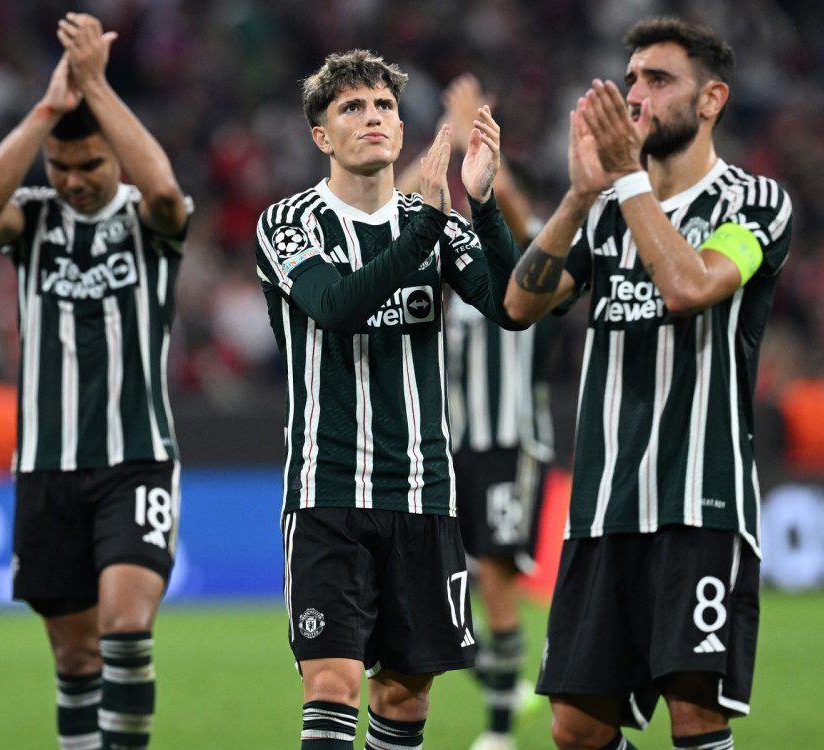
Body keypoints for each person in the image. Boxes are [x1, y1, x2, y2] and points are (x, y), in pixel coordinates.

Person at [504, 17, 791, 750]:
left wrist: (628, 178)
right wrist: (576, 197)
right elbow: (519, 304)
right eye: (631, 79)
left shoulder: (753, 204)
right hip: (603, 508)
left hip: (699, 500)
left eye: (658, 80)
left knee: (694, 711)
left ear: (711, 99)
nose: (636, 94)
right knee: (576, 730)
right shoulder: (603, 214)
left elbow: (690, 286)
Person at [255, 49, 524, 749]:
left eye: (383, 106)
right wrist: (428, 229)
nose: (372, 118)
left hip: (424, 494)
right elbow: (336, 305)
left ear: (402, 130)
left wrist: (486, 205)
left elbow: (513, 308)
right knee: (334, 682)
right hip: (327, 491)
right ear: (322, 136)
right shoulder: (290, 224)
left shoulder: (436, 223)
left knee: (406, 694)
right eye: (352, 107)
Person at [0, 12, 190, 750]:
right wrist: (48, 110)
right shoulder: (33, 222)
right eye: (62, 168)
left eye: (90, 165)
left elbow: (161, 187)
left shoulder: (149, 222)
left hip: (135, 460)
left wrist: (95, 85)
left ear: (113, 160)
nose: (75, 181)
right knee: (74, 657)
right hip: (46, 469)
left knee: (123, 627)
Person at [398, 73, 556, 750]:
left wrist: (478, 156)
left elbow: (518, 218)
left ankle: (498, 730)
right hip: (448, 442)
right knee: (443, 585)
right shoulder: (448, 252)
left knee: (494, 574)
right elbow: (389, 207)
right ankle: (507, 686)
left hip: (510, 436)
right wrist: (440, 144)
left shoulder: (536, 242)